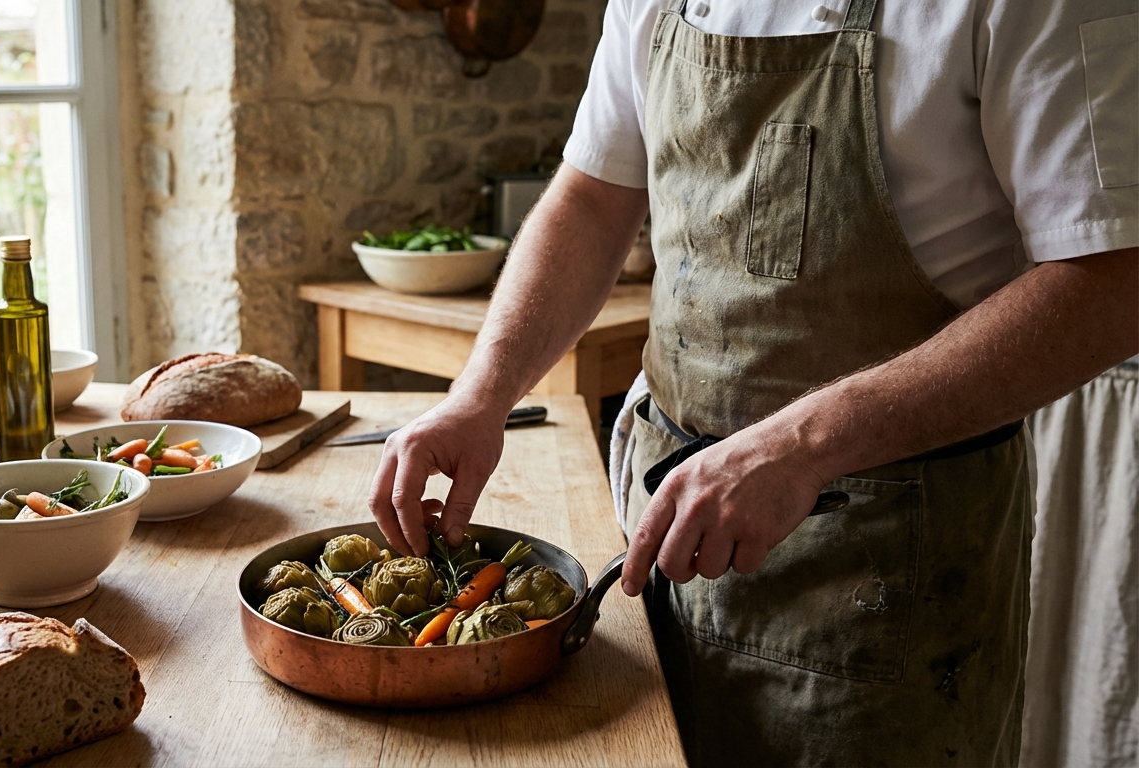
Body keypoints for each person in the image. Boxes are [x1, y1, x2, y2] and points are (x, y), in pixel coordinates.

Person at [369, 0, 1138, 764]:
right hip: (662, 534)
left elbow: (1113, 282)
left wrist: (801, 445)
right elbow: (593, 198)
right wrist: (483, 392)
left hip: (889, 575)